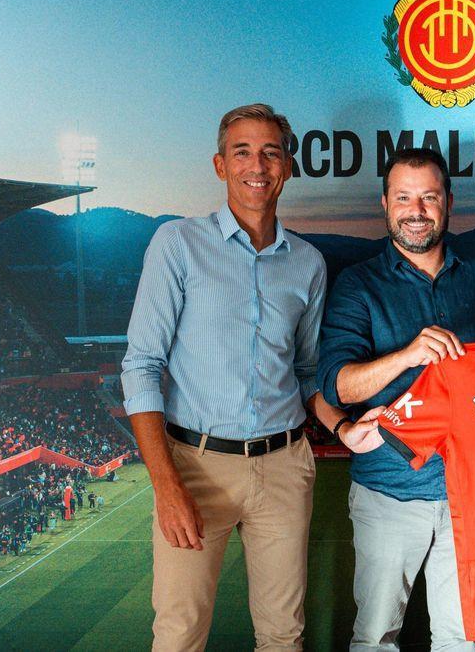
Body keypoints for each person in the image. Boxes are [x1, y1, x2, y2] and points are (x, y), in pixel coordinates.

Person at [122, 103, 343, 651]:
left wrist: (342, 426)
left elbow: (307, 371)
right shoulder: (177, 244)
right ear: (220, 165)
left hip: (284, 467)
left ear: (288, 166)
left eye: (271, 152)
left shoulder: (308, 263)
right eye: (242, 151)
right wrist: (166, 485)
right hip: (196, 467)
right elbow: (142, 365)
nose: (257, 165)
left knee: (282, 635)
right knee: (179, 634)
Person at [319, 147, 475, 651]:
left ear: (448, 203)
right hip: (388, 491)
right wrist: (407, 356)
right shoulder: (358, 284)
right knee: (377, 635)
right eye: (404, 197)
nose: (416, 210)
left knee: (462, 638)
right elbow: (336, 383)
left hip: (470, 493)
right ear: (384, 203)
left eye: (428, 197)